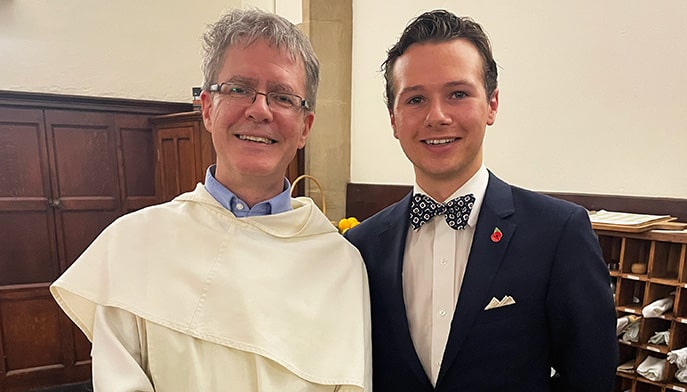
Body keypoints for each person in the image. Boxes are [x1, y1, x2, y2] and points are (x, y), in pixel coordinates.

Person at [51, 9, 371, 391]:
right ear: (206, 108)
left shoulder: (341, 265)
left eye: (283, 97)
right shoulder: (135, 244)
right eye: (238, 89)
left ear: (305, 127)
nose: (260, 110)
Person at [344, 9, 617, 391]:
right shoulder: (361, 247)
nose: (436, 117)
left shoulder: (558, 233)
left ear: (492, 104)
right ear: (393, 118)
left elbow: (591, 376)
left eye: (457, 94)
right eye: (416, 99)